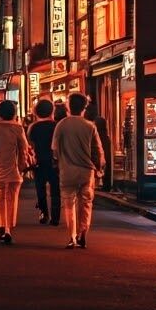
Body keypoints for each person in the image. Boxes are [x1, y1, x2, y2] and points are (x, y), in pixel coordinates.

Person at [52, 92, 105, 249]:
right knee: (86, 203)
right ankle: (83, 234)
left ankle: (72, 236)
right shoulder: (90, 126)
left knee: (69, 204)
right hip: (86, 172)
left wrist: (59, 160)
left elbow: (54, 149)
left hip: (67, 171)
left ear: (68, 107)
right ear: (84, 108)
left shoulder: (61, 125)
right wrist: (99, 168)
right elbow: (98, 151)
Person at [0, 100, 30, 244]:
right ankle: (9, 228)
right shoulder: (19, 129)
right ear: (14, 113)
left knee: (0, 199)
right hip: (14, 169)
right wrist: (22, 167)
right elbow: (23, 149)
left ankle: (2, 225)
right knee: (12, 198)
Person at [27, 98, 60, 227]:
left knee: (40, 188)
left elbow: (30, 145)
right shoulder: (57, 126)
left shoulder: (33, 127)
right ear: (52, 111)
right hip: (54, 161)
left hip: (38, 161)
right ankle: (55, 217)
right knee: (55, 189)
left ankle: (43, 213)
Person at [85, 102, 112, 190]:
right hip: (105, 141)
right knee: (106, 163)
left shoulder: (90, 124)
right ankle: (106, 184)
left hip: (97, 143)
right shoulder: (101, 120)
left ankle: (97, 183)